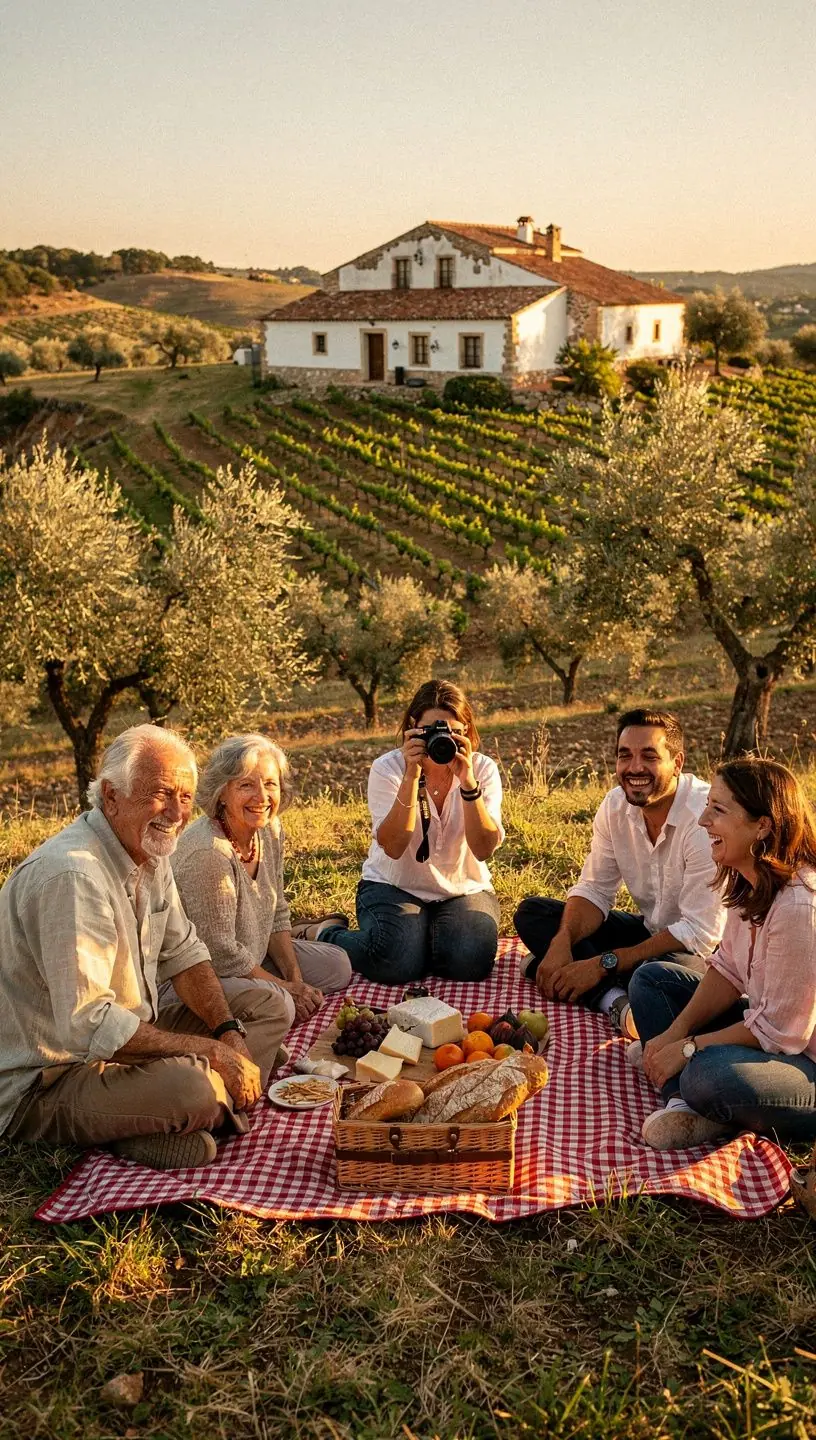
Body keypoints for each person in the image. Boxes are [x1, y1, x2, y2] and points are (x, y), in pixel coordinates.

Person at [0, 725, 292, 1171]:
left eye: (186, 797)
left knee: (270, 1006)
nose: (176, 812)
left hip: (129, 1039)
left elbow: (186, 954)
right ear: (111, 796)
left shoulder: (149, 852)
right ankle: (165, 1117)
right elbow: (88, 1028)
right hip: (49, 1077)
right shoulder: (72, 876)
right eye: (160, 793)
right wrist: (213, 1053)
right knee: (194, 1088)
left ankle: (164, 1119)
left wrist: (229, 1032)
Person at [629, 757, 816, 1150]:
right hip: (769, 1026)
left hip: (805, 1060)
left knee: (707, 1074)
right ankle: (686, 1104)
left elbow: (781, 1034)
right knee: (652, 979)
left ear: (762, 824)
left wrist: (689, 1047)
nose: (702, 820)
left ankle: (697, 1096)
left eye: (718, 809)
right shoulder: (750, 877)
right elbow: (728, 970)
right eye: (706, 805)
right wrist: (675, 1032)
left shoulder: (801, 907)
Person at [515, 709, 725, 1035]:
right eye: (624, 755)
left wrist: (602, 963)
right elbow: (595, 890)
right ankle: (613, 999)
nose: (634, 767)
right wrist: (562, 943)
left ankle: (598, 983)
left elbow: (699, 934)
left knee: (657, 974)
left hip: (705, 956)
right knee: (535, 914)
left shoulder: (703, 818)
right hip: (650, 934)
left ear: (678, 763)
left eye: (649, 756)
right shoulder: (615, 807)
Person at [314, 680, 504, 985]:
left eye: (454, 732)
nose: (443, 739)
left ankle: (421, 938)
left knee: (471, 962)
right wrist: (411, 775)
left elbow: (483, 849)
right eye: (432, 731)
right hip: (394, 885)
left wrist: (468, 784)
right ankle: (325, 933)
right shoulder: (388, 768)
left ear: (467, 732)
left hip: (462, 889)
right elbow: (393, 846)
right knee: (396, 964)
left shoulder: (482, 770)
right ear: (413, 728)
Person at [171, 734, 351, 1020]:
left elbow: (276, 909)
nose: (262, 797)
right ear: (221, 793)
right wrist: (285, 989)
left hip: (252, 953)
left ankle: (281, 983)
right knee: (282, 1005)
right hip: (205, 973)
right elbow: (221, 955)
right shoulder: (208, 853)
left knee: (338, 966)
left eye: (270, 784)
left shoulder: (270, 829)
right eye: (246, 785)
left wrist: (295, 979)